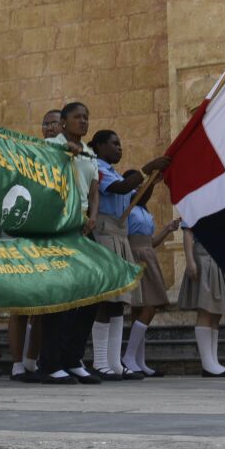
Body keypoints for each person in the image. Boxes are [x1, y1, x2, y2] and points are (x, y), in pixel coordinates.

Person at [88, 129, 166, 380]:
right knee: (106, 299)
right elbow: (122, 189)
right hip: (106, 233)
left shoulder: (114, 171)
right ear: (99, 146)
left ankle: (115, 363)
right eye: (114, 144)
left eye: (120, 143)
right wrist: (144, 170)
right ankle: (101, 362)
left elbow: (137, 197)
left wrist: (151, 180)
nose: (119, 148)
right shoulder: (97, 168)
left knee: (120, 302)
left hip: (119, 236)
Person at [36, 101, 101, 385]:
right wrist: (64, 153)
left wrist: (93, 217)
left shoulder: (90, 152)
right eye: (77, 118)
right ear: (63, 122)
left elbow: (95, 190)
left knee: (91, 294)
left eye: (86, 118)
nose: (83, 122)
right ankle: (51, 362)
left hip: (85, 226)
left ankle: (73, 357)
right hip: (62, 226)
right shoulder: (53, 147)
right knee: (62, 297)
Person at [123, 188, 180, 378]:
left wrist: (167, 229)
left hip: (148, 256)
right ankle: (129, 357)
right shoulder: (128, 209)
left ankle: (139, 361)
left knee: (141, 310)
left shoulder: (145, 212)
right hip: (135, 257)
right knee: (147, 307)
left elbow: (151, 241)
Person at [177, 220, 225, 377]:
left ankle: (213, 361)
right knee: (205, 309)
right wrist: (190, 261)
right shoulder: (192, 201)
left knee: (216, 312)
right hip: (203, 257)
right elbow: (187, 232)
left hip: (219, 258)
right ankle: (207, 363)